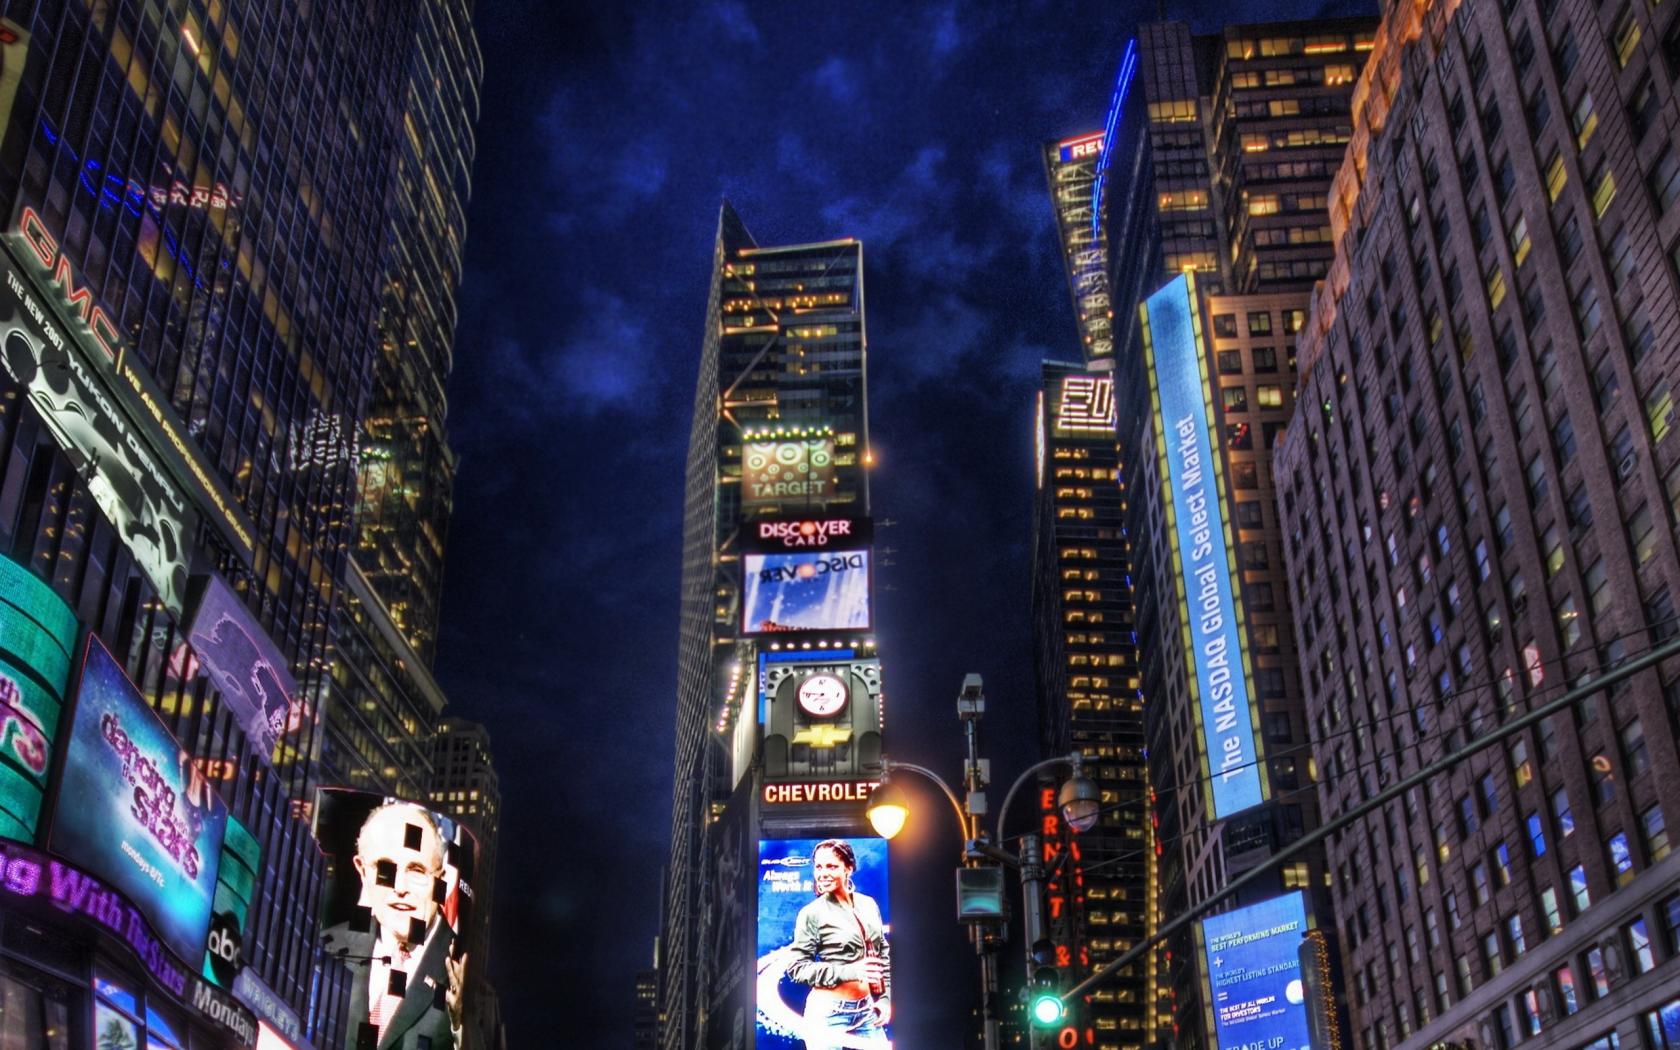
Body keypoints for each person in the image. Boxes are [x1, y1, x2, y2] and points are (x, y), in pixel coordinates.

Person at [321, 802, 467, 1050]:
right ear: (363, 871)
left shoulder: (466, 977)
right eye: (385, 869)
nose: (400, 887)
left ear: (440, 880)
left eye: (416, 870)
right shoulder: (326, 948)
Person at [785, 840, 891, 1048]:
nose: (823, 873)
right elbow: (797, 968)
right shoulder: (811, 913)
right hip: (828, 1013)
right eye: (818, 867)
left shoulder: (868, 904)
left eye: (831, 866)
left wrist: (885, 998)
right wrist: (851, 971)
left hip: (867, 1011)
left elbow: (882, 953)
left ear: (848, 868)